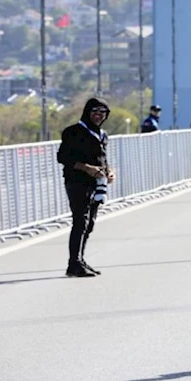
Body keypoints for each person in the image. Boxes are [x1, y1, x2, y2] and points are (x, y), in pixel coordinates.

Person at [56, 97, 115, 277]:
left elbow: (102, 158)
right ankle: (74, 263)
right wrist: (86, 168)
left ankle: (79, 260)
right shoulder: (73, 132)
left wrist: (109, 171)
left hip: (96, 184)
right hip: (77, 182)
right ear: (87, 112)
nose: (98, 116)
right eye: (95, 112)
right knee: (80, 221)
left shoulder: (102, 134)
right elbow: (63, 157)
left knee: (89, 224)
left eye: (102, 113)